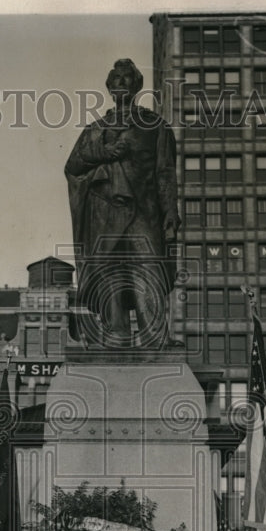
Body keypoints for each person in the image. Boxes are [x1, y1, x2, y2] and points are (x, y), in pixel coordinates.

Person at [64, 57, 181, 349]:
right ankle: (115, 335)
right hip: (104, 211)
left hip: (144, 212)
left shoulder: (155, 126)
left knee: (149, 270)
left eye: (127, 77)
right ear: (108, 86)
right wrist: (104, 154)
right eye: (115, 78)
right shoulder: (95, 130)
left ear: (137, 84)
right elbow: (73, 166)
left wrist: (170, 213)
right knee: (108, 272)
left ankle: (154, 337)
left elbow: (165, 173)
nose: (121, 82)